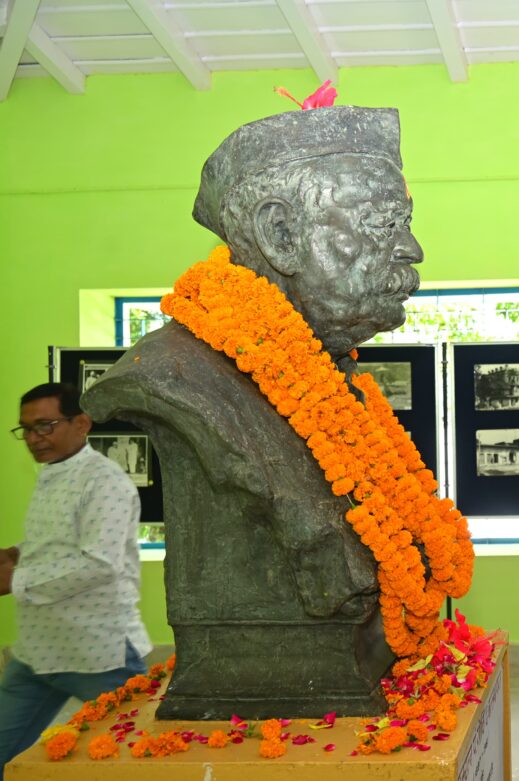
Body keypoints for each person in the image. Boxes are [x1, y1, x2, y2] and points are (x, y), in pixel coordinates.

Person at [83, 106, 423, 719]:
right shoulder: (175, 380)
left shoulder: (330, 375)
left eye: (406, 224)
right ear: (280, 235)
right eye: (381, 223)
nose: (412, 248)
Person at [0, 383, 151, 777]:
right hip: (37, 652)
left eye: (45, 426)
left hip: (96, 651)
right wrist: (18, 552)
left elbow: (98, 563)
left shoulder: (105, 482)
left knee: (138, 759)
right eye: (26, 429)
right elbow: (57, 543)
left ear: (81, 423)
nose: (34, 439)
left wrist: (16, 577)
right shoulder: (53, 473)